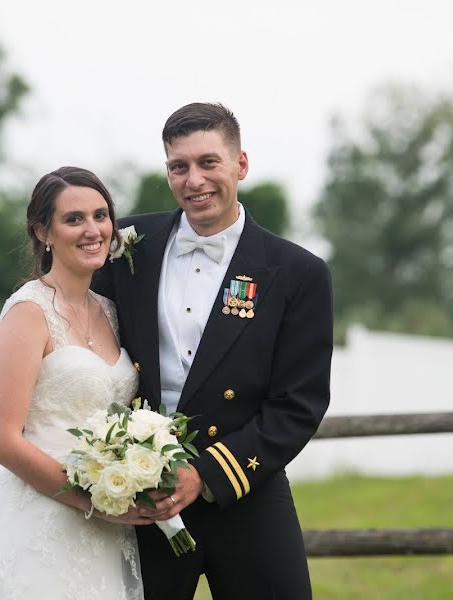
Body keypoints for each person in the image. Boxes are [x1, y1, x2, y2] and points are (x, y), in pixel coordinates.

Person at [92, 103, 333, 600]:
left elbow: (299, 404)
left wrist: (204, 474)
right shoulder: (125, 245)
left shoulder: (299, 273)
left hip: (244, 488)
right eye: (178, 167)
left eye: (208, 162)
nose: (193, 179)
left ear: (240, 165)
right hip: (143, 494)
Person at [0, 167, 148, 599]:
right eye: (74, 219)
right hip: (42, 519)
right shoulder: (28, 310)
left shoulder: (111, 311)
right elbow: (0, 439)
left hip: (108, 530)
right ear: (44, 231)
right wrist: (91, 498)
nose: (93, 230)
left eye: (101, 216)